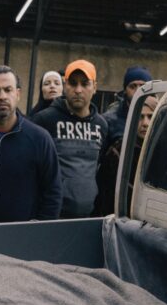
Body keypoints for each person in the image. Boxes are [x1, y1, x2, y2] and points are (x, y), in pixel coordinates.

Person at [0, 64, 62, 223]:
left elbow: (53, 192)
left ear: (18, 94)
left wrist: (41, 228)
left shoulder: (40, 138)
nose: (2, 96)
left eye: (8, 90)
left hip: (20, 239)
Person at [32, 59, 109, 218]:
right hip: (51, 216)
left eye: (85, 84)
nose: (78, 90)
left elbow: (98, 168)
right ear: (65, 86)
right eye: (73, 83)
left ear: (94, 87)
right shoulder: (44, 120)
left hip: (86, 215)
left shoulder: (101, 125)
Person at [94, 95, 157, 216]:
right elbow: (104, 193)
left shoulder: (165, 150)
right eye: (140, 117)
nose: (145, 123)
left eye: (150, 116)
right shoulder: (118, 150)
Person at [103, 65, 152, 147]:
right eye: (133, 86)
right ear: (125, 90)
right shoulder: (109, 121)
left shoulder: (160, 117)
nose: (138, 91)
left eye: (143, 87)